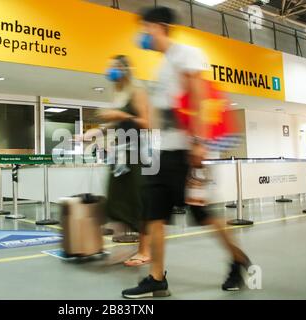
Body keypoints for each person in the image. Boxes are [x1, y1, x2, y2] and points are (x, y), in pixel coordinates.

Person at [121, 6, 251, 299]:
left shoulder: (186, 54)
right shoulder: (162, 65)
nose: (142, 35)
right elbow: (161, 115)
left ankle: (238, 259)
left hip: (185, 152)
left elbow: (200, 97)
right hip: (163, 152)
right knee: (154, 213)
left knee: (204, 215)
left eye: (144, 28)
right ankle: (157, 278)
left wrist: (199, 142)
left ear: (158, 26)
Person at [94, 55, 151, 262]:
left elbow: (146, 123)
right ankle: (136, 243)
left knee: (138, 201)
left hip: (136, 153)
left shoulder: (137, 91)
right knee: (116, 200)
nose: (111, 71)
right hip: (121, 153)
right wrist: (89, 135)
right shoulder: (118, 94)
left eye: (115, 67)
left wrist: (121, 116)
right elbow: (113, 126)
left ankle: (146, 250)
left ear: (125, 69)